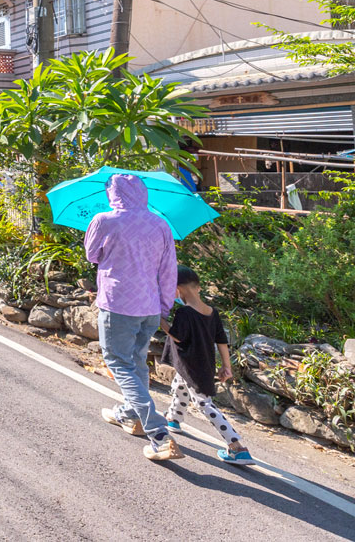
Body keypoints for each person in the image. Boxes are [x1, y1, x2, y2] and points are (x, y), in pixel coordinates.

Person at [84, 173, 181, 461]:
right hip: (150, 305)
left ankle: (159, 433)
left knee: (118, 362)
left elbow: (92, 254)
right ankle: (129, 414)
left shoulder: (104, 220)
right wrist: (164, 307)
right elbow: (168, 270)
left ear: (114, 193)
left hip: (118, 304)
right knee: (137, 360)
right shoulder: (160, 224)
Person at [160, 266, 254, 464]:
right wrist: (226, 366)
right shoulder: (212, 312)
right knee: (179, 385)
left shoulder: (184, 313)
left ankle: (237, 447)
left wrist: (158, 319)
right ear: (199, 287)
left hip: (192, 366)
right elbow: (221, 340)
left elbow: (176, 336)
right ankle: (173, 418)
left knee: (203, 403)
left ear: (176, 289)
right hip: (202, 363)